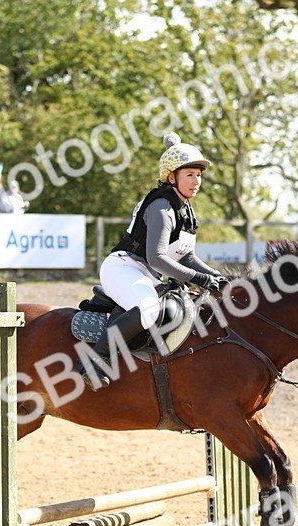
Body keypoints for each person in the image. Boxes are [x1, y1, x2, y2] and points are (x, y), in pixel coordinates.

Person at [73, 132, 226, 390]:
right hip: (123, 267)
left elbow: (186, 256)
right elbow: (157, 259)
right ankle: (94, 361)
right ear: (171, 177)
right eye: (189, 175)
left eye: (198, 175)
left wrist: (217, 277)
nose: (196, 181)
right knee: (148, 309)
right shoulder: (162, 209)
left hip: (146, 274)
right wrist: (199, 279)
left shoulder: (185, 210)